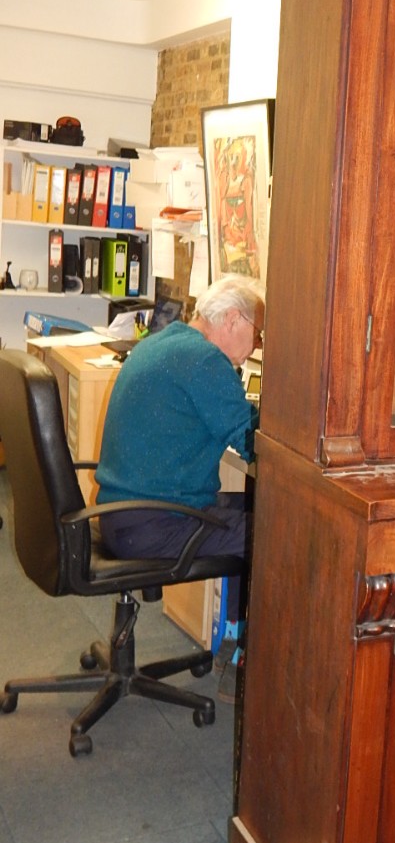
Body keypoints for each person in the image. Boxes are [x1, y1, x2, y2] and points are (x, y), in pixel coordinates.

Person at [96, 274, 265, 696]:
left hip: (120, 513)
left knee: (255, 508)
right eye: (257, 335)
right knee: (279, 533)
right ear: (231, 318)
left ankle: (238, 639)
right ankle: (253, 661)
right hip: (154, 524)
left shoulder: (162, 340)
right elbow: (253, 445)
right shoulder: (206, 361)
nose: (255, 348)